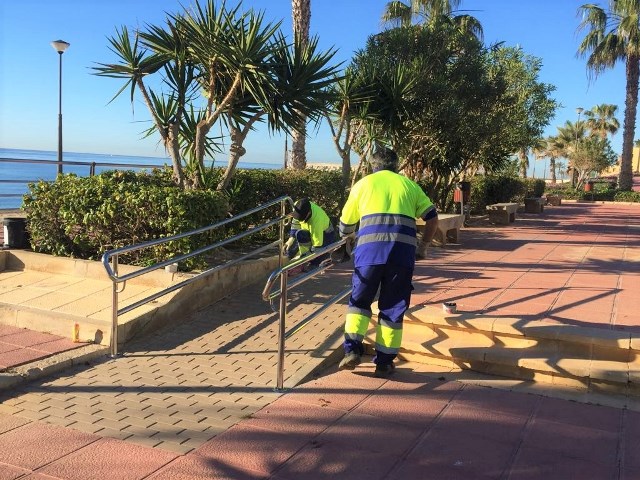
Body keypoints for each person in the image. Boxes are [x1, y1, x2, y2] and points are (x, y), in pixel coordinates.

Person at [337, 147, 438, 377]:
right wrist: (423, 247)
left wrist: (348, 236)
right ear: (396, 165)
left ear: (373, 165)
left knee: (359, 303)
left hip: (369, 256)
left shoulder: (363, 185)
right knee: (392, 309)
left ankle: (352, 350)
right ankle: (383, 362)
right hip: (401, 257)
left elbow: (345, 225)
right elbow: (432, 217)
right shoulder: (409, 186)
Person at [283, 198, 336, 269]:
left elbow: (317, 247)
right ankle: (301, 259)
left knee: (315, 262)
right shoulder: (298, 206)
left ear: (308, 213)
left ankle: (320, 259)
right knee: (299, 235)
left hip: (325, 236)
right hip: (308, 231)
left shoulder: (316, 222)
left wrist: (302, 259)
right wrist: (291, 238)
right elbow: (296, 222)